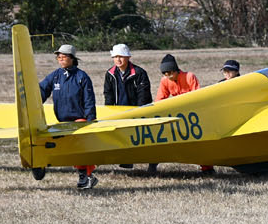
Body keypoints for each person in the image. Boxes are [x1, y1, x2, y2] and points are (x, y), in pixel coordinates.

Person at [39, 44, 97, 190]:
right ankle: (40, 165)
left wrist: (90, 120)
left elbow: (89, 100)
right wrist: (32, 102)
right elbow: (41, 90)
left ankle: (85, 176)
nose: (61, 59)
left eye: (64, 57)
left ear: (72, 58)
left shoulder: (82, 77)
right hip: (63, 120)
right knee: (66, 148)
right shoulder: (55, 76)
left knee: (79, 148)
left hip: (79, 119)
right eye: (59, 57)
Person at [154, 55, 209, 173]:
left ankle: (207, 167)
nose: (167, 76)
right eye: (164, 74)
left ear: (176, 70)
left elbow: (198, 98)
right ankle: (153, 164)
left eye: (169, 73)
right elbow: (159, 100)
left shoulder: (189, 77)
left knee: (200, 142)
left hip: (193, 115)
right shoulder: (165, 81)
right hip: (177, 116)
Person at [101, 43, 150, 171]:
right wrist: (108, 111)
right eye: (115, 57)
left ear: (128, 57)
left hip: (136, 111)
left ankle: (152, 162)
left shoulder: (139, 73)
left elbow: (143, 94)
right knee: (122, 137)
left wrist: (139, 111)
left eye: (121, 56)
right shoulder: (110, 74)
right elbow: (108, 94)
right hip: (119, 111)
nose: (118, 59)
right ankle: (126, 160)